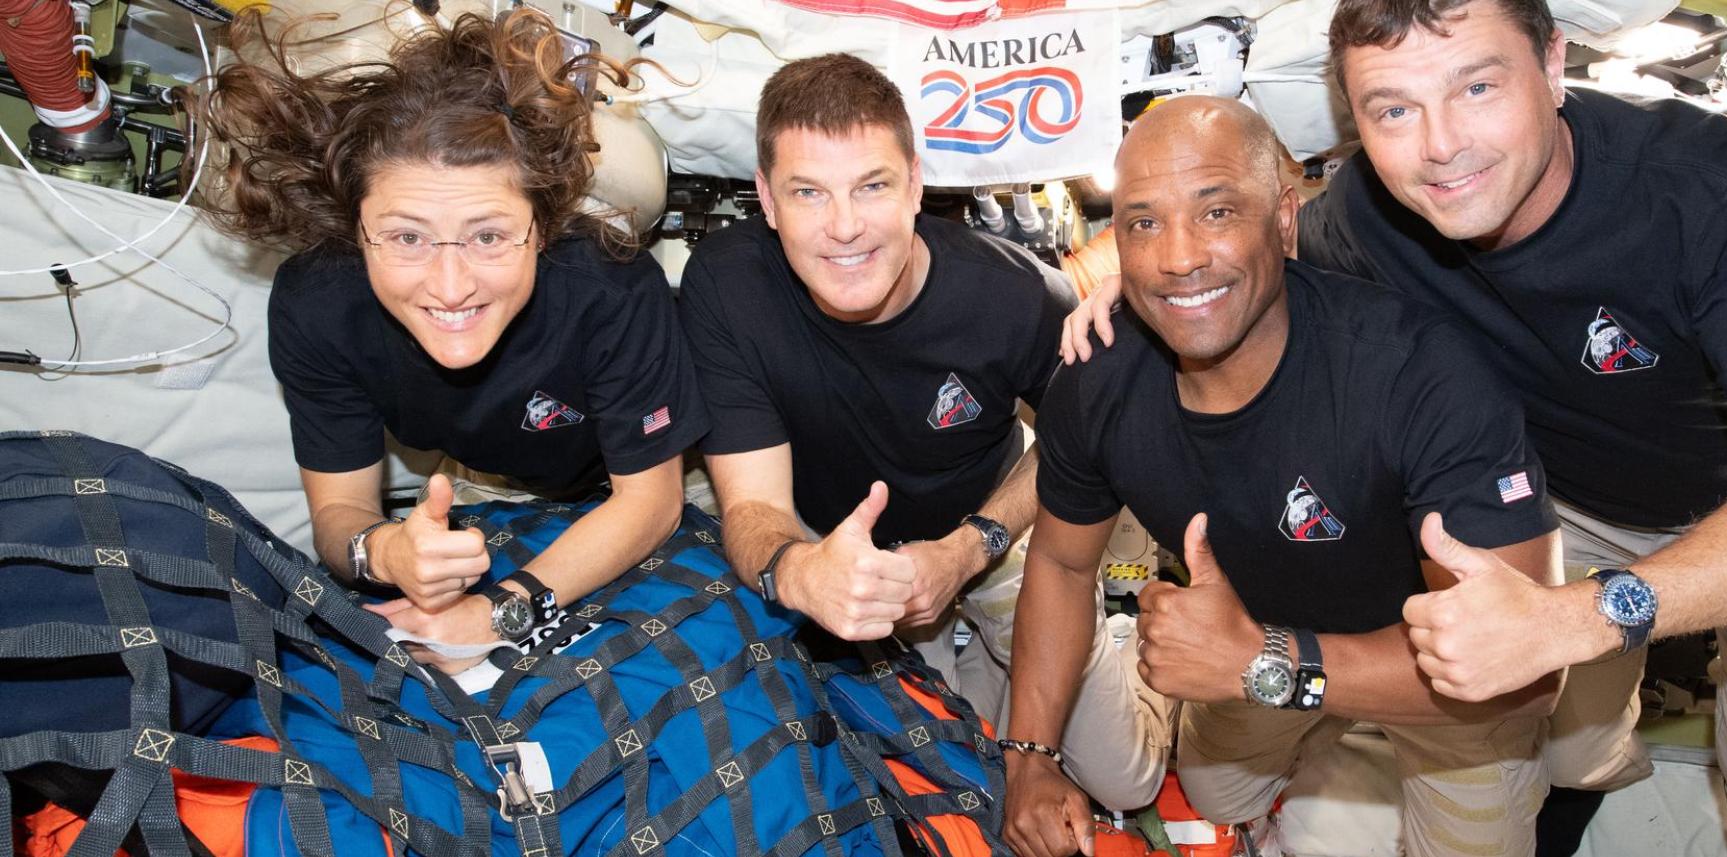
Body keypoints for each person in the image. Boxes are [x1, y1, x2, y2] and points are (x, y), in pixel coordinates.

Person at [1063, 1, 1727, 854]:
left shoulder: (1710, 190)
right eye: (1393, 108)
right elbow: (1245, 240)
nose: (1440, 145)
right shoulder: (1368, 212)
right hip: (1565, 510)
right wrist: (1138, 285)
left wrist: (1579, 619)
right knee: (1576, 754)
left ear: (1553, 63)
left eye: (1476, 85)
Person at [1009, 94, 1564, 857]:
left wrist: (1268, 666)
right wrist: (1030, 757)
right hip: (1268, 639)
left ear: (1283, 218)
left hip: (1445, 675)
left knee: (1571, 760)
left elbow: (1524, 678)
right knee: (1216, 790)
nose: (1177, 257)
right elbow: (1063, 560)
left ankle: (1365, 737)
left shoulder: (1419, 374)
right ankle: (1341, 739)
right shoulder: (1097, 380)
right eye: (1143, 222)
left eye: (1215, 212)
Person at [675, 54, 1173, 816]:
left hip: (989, 527)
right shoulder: (725, 284)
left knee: (1127, 782)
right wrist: (804, 573)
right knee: (929, 771)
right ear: (768, 200)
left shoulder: (1013, 295)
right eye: (810, 192)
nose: (844, 227)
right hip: (840, 547)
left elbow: (1079, 448)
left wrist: (969, 547)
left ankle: (1111, 634)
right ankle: (986, 664)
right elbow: (752, 507)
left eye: (872, 186)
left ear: (914, 185)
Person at [201, 9, 708, 671]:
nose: (449, 286)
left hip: (655, 477)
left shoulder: (611, 288)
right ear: (356, 230)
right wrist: (384, 551)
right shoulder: (317, 303)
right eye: (407, 237)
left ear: (544, 225)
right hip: (492, 483)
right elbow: (341, 510)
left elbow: (650, 501)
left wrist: (498, 611)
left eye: (489, 236)